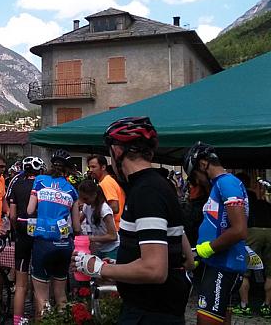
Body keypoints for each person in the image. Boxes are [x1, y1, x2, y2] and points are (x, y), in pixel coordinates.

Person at [74, 117, 194, 324]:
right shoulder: (157, 184)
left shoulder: (147, 191)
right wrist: (121, 266)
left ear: (117, 151)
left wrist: (98, 267)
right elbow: (185, 256)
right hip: (155, 308)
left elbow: (154, 269)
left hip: (149, 312)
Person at [183, 142, 249, 324]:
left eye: (195, 174)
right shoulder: (220, 185)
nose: (197, 181)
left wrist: (208, 249)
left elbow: (239, 230)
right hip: (219, 263)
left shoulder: (226, 183)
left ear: (203, 164)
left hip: (223, 265)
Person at [27, 149, 80, 318]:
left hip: (44, 242)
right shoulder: (72, 190)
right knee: (61, 296)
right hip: (64, 244)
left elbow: (29, 210)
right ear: (67, 170)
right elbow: (77, 227)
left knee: (42, 297)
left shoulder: (40, 181)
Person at [232, 174, 271, 318]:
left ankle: (244, 305)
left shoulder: (243, 201)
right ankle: (266, 306)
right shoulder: (265, 204)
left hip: (253, 231)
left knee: (244, 271)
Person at [8, 156, 43, 325]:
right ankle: (39, 319)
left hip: (22, 232)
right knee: (39, 282)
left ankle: (17, 321)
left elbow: (12, 215)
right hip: (39, 234)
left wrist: (16, 229)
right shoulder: (43, 185)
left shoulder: (16, 184)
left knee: (21, 284)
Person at [78, 179, 119, 260]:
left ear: (94, 195)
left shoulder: (104, 210)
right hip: (99, 249)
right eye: (81, 198)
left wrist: (91, 238)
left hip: (112, 249)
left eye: (86, 199)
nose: (83, 201)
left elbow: (113, 236)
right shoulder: (87, 207)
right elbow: (78, 222)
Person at [87, 154, 125, 230]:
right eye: (89, 167)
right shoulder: (106, 181)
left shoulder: (106, 183)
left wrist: (94, 210)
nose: (90, 170)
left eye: (93, 167)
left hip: (115, 228)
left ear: (103, 167)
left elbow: (114, 208)